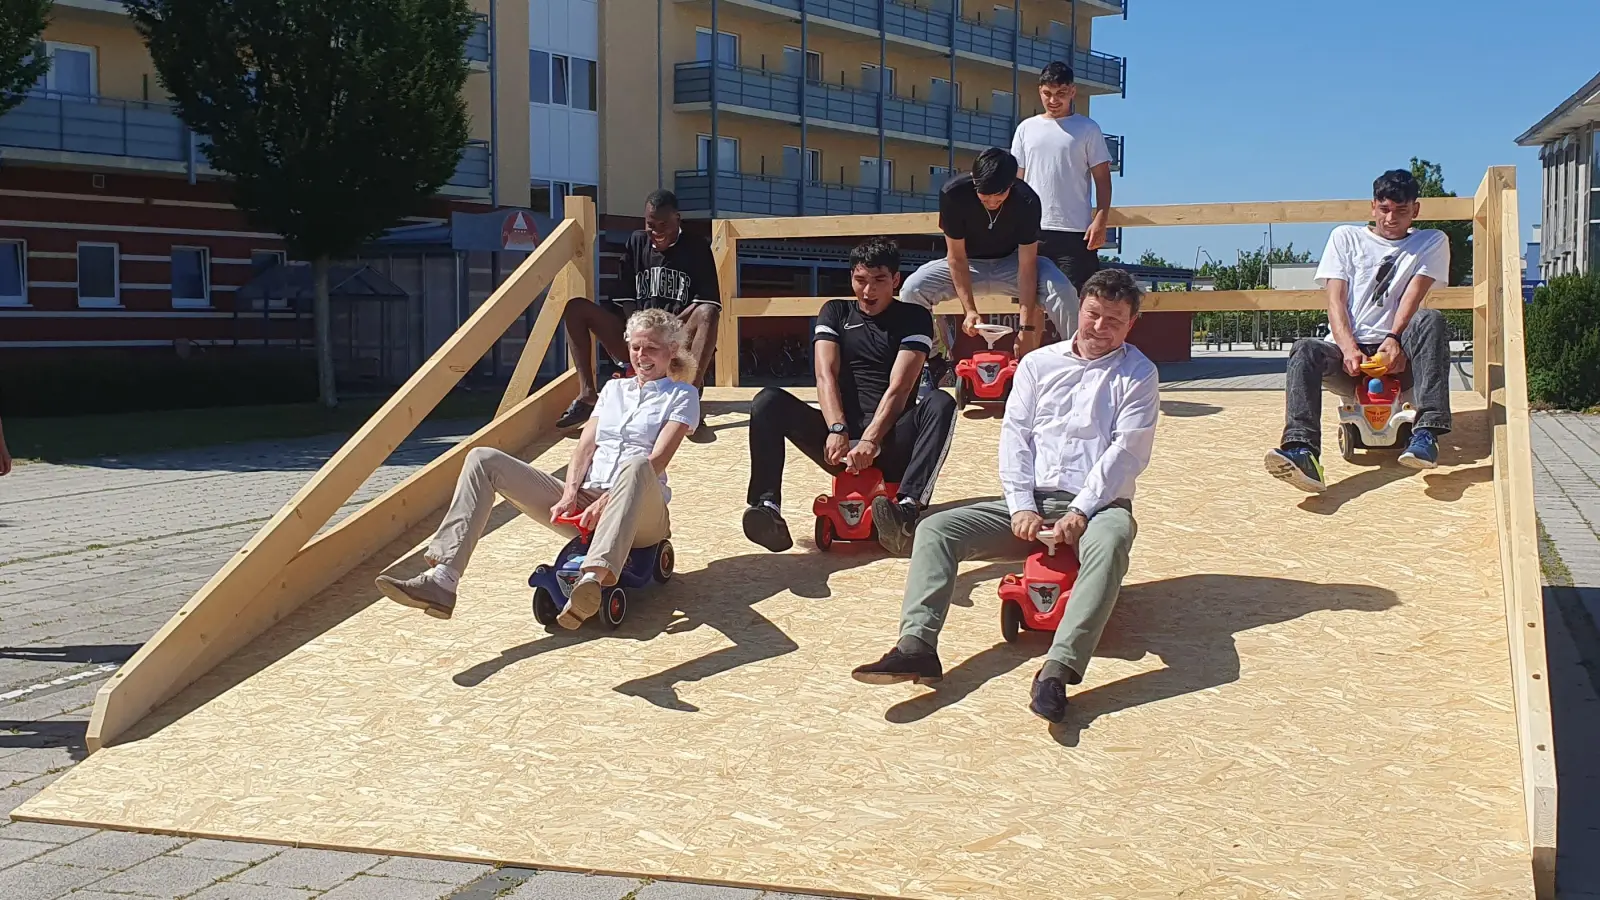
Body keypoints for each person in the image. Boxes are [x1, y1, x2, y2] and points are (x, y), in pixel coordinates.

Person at [851, 269, 1158, 725]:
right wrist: (1021, 507)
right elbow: (1016, 438)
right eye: (1093, 314)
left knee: (1111, 541)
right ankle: (916, 646)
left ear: (1130, 324)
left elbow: (1125, 453)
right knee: (936, 529)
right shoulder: (1038, 365)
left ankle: (1058, 670)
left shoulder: (1139, 374)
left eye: (1114, 320)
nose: (1099, 327)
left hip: (1100, 506)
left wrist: (1079, 510)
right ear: (1081, 311)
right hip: (1030, 502)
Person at [377, 308, 699, 629]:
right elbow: (585, 447)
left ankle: (592, 580)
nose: (641, 356)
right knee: (483, 459)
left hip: (644, 512)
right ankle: (443, 580)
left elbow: (657, 460)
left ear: (671, 350)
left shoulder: (682, 395)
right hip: (590, 500)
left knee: (638, 463)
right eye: (636, 347)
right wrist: (571, 493)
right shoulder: (613, 391)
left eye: (652, 348)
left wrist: (606, 502)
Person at [741, 237, 958, 557]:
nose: (868, 291)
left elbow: (899, 388)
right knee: (767, 401)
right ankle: (767, 507)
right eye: (860, 281)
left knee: (942, 403)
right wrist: (838, 429)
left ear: (896, 280)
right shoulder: (835, 312)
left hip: (892, 441)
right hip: (838, 442)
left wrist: (871, 439)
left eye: (879, 281)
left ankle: (907, 511)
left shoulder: (914, 318)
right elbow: (824, 375)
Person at [1265, 169, 1452, 492]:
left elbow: (1413, 296)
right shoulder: (1345, 238)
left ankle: (1427, 433)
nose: (1391, 218)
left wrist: (1393, 340)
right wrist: (1349, 347)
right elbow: (1335, 300)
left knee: (1430, 319)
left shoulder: (1431, 241)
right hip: (1348, 352)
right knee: (1304, 349)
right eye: (1384, 209)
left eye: (1401, 211)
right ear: (1373, 207)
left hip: (1399, 352)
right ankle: (1302, 450)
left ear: (1416, 210)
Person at [556, 190, 719, 443]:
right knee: (576, 307)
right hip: (638, 336)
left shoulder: (697, 246)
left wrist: (664, 328)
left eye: (663, 225)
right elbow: (624, 296)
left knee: (708, 312)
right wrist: (639, 329)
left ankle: (689, 396)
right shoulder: (637, 242)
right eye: (650, 225)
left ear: (678, 218)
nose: (656, 232)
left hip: (675, 341)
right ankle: (588, 395)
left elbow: (707, 300)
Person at [901, 148, 1077, 360]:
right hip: (968, 264)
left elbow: (1027, 265)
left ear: (1011, 183)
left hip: (1013, 265)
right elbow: (956, 257)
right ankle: (933, 358)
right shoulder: (953, 193)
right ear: (974, 179)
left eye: (1000, 195)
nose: (992, 202)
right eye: (985, 196)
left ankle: (1076, 359)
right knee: (912, 289)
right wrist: (970, 312)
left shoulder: (1027, 200)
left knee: (1063, 291)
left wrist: (1026, 329)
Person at [1012, 61, 1114, 294]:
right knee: (1030, 300)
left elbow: (1103, 178)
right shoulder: (1026, 128)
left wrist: (1101, 218)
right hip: (1032, 229)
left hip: (1076, 232)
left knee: (1078, 299)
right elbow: (1017, 180)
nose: (1053, 100)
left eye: (1060, 93)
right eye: (1047, 94)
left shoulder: (1088, 128)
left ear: (1072, 91)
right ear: (1040, 91)